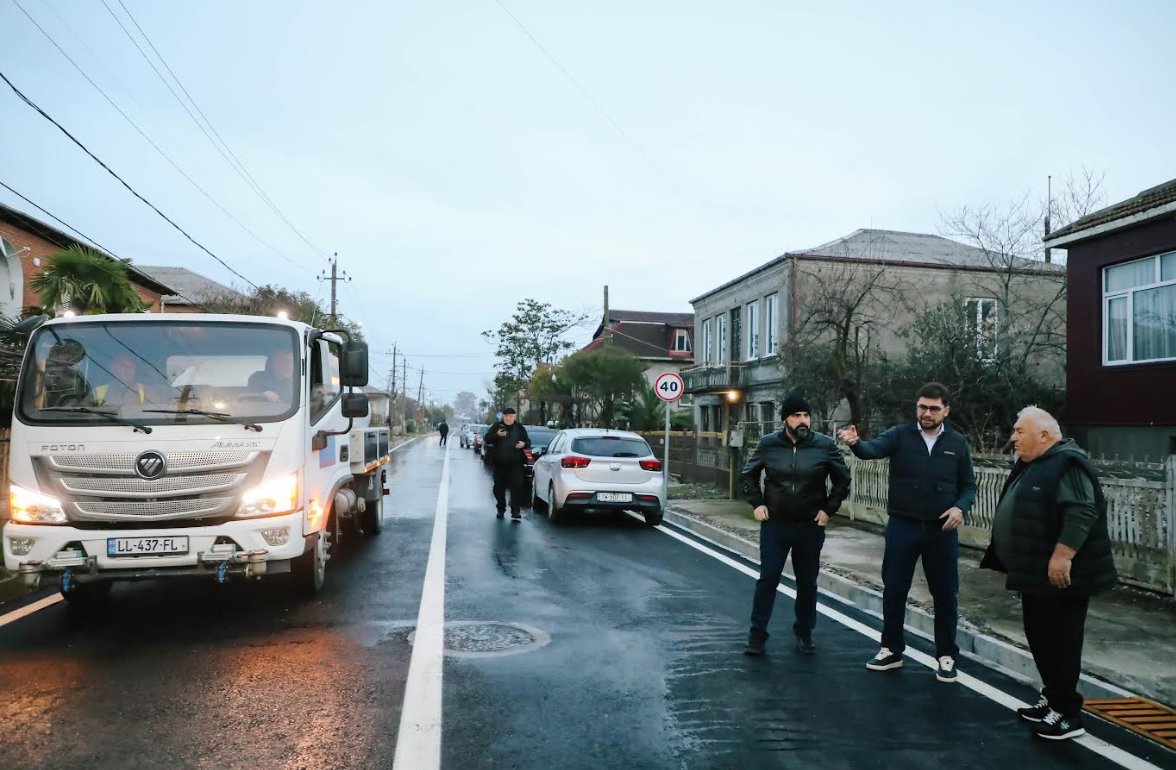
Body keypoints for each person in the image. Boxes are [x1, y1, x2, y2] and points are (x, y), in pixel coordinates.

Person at [980, 407, 1116, 741]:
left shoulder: (1067, 463)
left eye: (1018, 431)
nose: (1013, 437)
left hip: (1061, 577)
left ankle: (1068, 714)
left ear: (1044, 435)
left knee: (1060, 643)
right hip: (1036, 575)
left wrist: (1062, 556)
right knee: (1041, 638)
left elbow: (1083, 511)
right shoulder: (1036, 463)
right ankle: (1052, 698)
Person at [837, 382, 976, 683]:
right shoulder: (900, 435)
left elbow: (968, 485)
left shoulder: (957, 442)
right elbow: (871, 450)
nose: (927, 413)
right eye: (922, 407)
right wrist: (855, 443)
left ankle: (946, 655)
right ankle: (890, 649)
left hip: (941, 529)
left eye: (934, 408)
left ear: (946, 410)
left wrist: (960, 508)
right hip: (903, 525)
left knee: (945, 594)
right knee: (895, 588)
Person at [741, 393, 851, 656]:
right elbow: (748, 476)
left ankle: (804, 631)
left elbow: (842, 480)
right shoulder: (769, 445)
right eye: (796, 416)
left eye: (806, 416)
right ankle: (757, 634)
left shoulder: (824, 446)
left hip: (809, 525)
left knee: (807, 582)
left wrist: (828, 509)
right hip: (776, 525)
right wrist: (757, 503)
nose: (803, 421)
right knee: (768, 578)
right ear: (785, 419)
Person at [483, 408, 530, 520]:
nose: (508, 418)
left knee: (516, 488)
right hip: (499, 464)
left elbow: (528, 442)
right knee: (498, 488)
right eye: (506, 416)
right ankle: (501, 508)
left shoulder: (519, 428)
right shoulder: (497, 426)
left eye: (510, 416)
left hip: (516, 464)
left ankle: (515, 511)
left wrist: (523, 444)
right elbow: (487, 439)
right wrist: (497, 435)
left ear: (514, 417)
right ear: (503, 417)